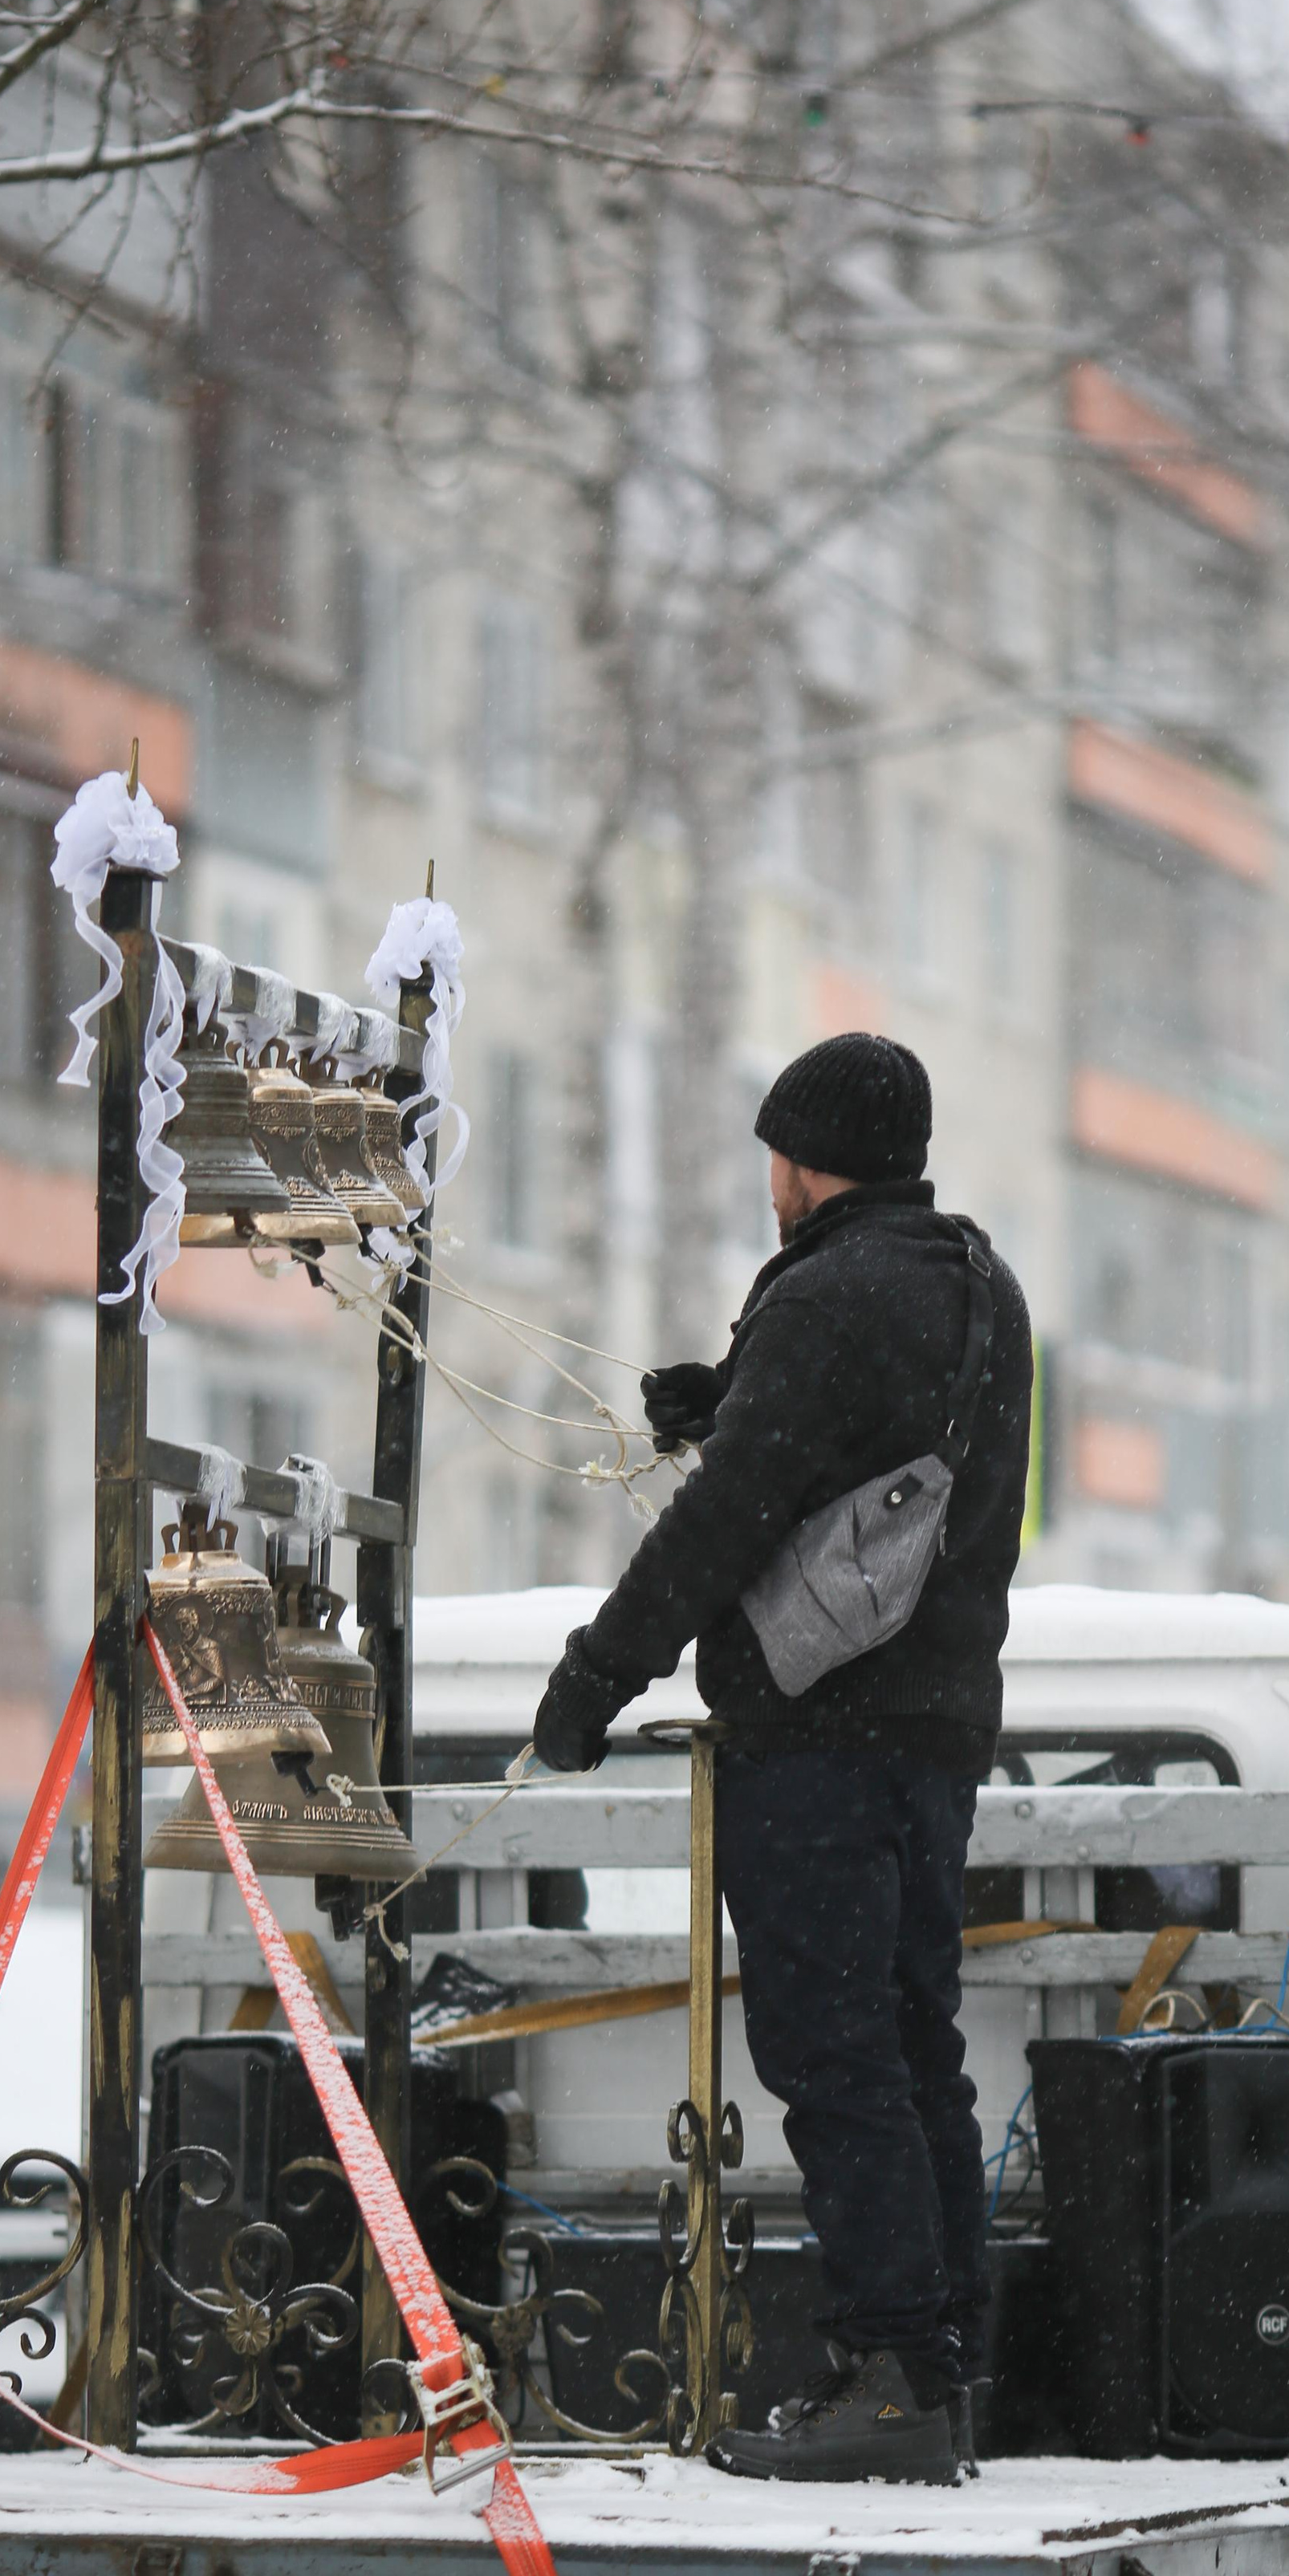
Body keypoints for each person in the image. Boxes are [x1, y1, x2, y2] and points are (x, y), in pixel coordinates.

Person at [531, 1034, 1032, 2484]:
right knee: (913, 2045)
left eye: (776, 1157)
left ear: (810, 1162)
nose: (770, 1184)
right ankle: (948, 2368)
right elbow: (864, 1448)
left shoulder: (825, 1292)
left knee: (833, 2057)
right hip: (937, 1735)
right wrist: (727, 1396)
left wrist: (596, 1674)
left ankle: (889, 2372)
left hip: (814, 1738)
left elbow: (724, 1524)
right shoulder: (980, 1284)